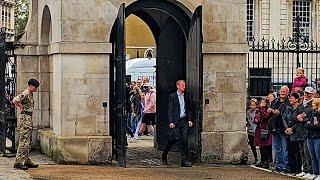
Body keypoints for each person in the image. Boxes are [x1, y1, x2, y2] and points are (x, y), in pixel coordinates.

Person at [162, 80, 193, 167]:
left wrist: (190, 119)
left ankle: (184, 160)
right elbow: (170, 110)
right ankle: (164, 155)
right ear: (178, 86)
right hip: (176, 121)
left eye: (184, 85)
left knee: (184, 140)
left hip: (184, 121)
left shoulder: (186, 96)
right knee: (172, 140)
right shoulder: (172, 96)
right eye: (182, 85)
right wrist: (171, 122)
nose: (184, 87)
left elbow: (189, 109)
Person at [13, 79, 40, 170]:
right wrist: (20, 106)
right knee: (24, 140)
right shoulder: (26, 93)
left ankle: (27, 160)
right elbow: (15, 100)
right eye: (35, 87)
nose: (36, 89)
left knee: (28, 140)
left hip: (28, 118)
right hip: (25, 118)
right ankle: (18, 162)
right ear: (31, 85)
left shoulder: (30, 94)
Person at [268, 86, 290, 172]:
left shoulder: (288, 102)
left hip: (283, 128)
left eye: (284, 91)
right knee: (277, 148)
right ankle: (279, 165)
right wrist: (270, 111)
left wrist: (279, 114)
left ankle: (285, 166)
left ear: (287, 93)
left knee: (285, 149)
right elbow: (270, 114)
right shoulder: (275, 101)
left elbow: (287, 115)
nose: (282, 92)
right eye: (281, 91)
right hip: (274, 127)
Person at [282, 92, 304, 174]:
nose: (290, 99)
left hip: (297, 133)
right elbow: (284, 118)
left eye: (292, 98)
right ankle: (292, 169)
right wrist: (287, 128)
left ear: (297, 99)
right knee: (290, 152)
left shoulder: (300, 108)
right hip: (288, 132)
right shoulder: (288, 108)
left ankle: (298, 169)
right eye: (290, 98)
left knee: (298, 152)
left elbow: (299, 122)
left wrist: (291, 128)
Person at [254, 98, 272, 169]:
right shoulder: (258, 110)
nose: (262, 103)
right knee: (261, 146)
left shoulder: (267, 110)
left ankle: (266, 161)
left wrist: (262, 109)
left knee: (265, 146)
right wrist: (256, 120)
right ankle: (262, 160)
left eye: (264, 102)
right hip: (259, 129)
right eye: (261, 102)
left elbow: (266, 116)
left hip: (265, 129)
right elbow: (255, 119)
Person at [306, 98, 320, 180]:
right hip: (310, 136)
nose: (312, 105)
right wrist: (312, 125)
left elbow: (318, 126)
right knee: (312, 156)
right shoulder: (311, 113)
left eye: (314, 104)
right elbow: (306, 123)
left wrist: (311, 125)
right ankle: (315, 172)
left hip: (317, 137)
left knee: (318, 156)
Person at [246, 98, 258, 164]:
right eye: (251, 105)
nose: (252, 106)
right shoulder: (248, 112)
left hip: (256, 130)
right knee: (252, 145)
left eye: (253, 105)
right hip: (250, 131)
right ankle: (255, 157)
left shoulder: (258, 112)